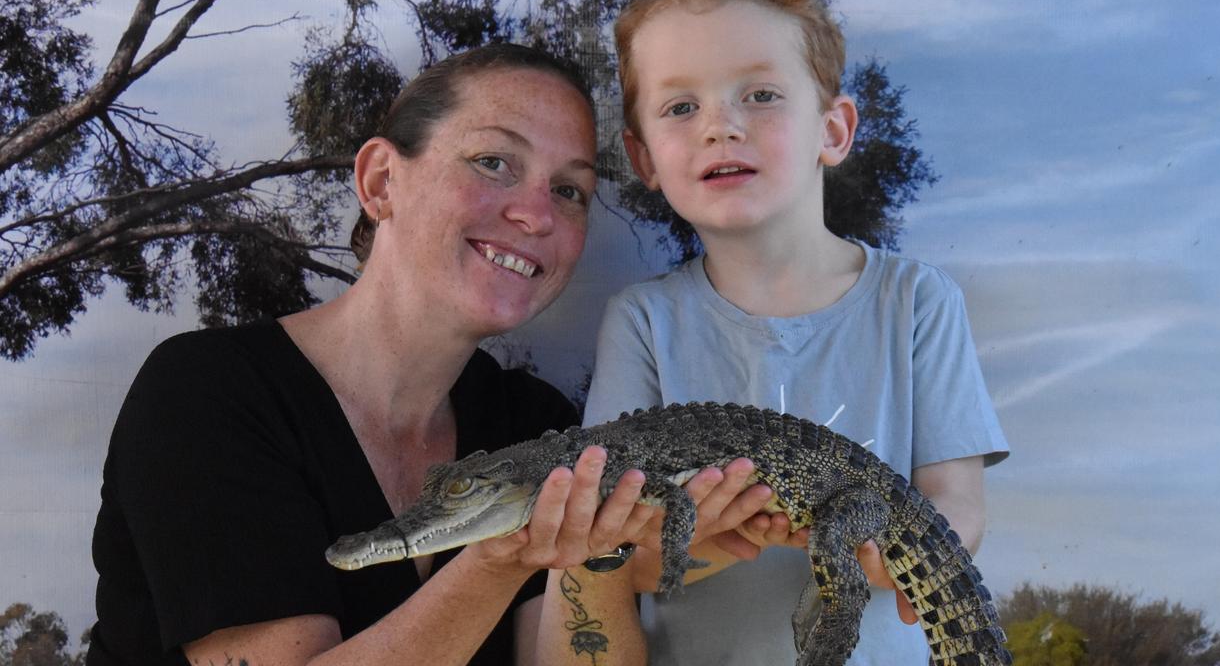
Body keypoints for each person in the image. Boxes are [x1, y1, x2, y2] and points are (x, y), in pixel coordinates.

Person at [85, 42, 771, 666]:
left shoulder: (534, 426)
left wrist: (605, 562)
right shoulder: (206, 394)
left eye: (569, 191)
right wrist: (503, 555)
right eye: (493, 162)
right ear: (382, 180)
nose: (536, 215)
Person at [579, 0, 1011, 665]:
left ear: (832, 130)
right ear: (643, 156)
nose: (719, 126)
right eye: (680, 107)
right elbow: (613, 552)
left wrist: (887, 549)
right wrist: (707, 540)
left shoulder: (916, 302)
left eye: (760, 94)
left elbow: (958, 504)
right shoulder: (641, 322)